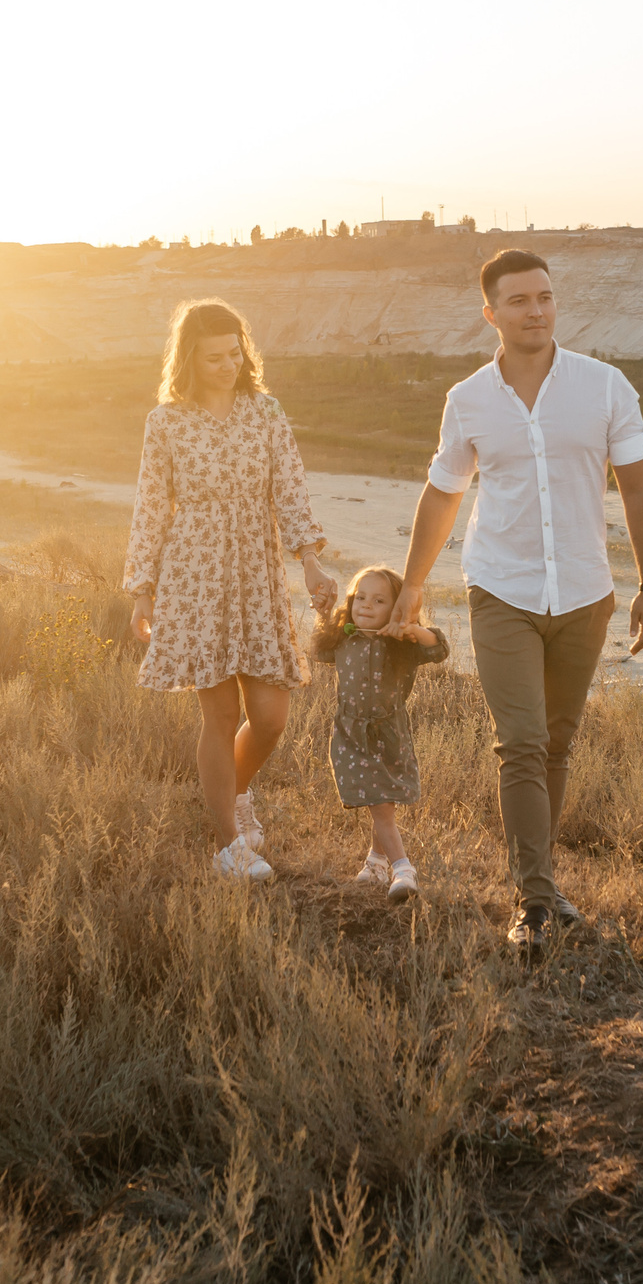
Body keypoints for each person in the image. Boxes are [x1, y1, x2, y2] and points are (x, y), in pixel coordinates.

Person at [393, 249, 643, 953]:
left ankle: (539, 881)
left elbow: (639, 487)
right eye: (518, 300)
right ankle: (534, 902)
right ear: (491, 313)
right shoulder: (468, 399)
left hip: (584, 591)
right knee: (520, 741)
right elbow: (443, 494)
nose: (536, 310)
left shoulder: (604, 386)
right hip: (501, 588)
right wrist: (413, 585)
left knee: (557, 743)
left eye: (544, 296)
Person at [123, 299, 337, 881]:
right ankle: (229, 847)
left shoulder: (265, 412)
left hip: (257, 572)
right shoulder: (166, 422)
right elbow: (150, 507)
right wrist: (142, 589)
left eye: (234, 353)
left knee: (270, 716)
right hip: (194, 575)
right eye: (214, 357)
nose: (227, 365)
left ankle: (234, 793)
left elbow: (290, 488)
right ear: (189, 359)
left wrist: (310, 562)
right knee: (218, 714)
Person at [310, 565, 448, 902]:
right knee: (379, 804)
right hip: (352, 733)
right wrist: (324, 614)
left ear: (396, 607)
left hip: (390, 731)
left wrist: (411, 627)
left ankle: (375, 862)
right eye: (360, 598)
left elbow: (439, 648)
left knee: (383, 800)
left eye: (379, 600)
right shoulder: (344, 637)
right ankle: (403, 869)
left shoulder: (401, 644)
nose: (366, 605)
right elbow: (317, 650)